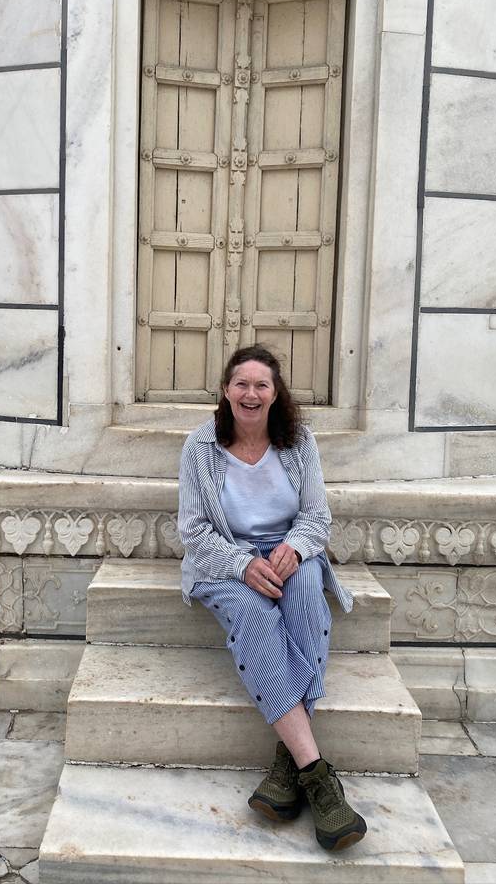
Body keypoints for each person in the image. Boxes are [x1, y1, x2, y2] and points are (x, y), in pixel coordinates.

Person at [177, 344, 367, 851]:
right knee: (257, 617)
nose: (251, 393)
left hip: (287, 552)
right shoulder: (200, 448)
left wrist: (296, 548)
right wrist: (241, 563)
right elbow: (194, 533)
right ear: (225, 391)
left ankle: (288, 763)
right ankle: (316, 772)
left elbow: (317, 516)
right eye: (242, 383)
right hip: (225, 561)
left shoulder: (298, 441)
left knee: (306, 594)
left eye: (262, 385)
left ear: (275, 393)